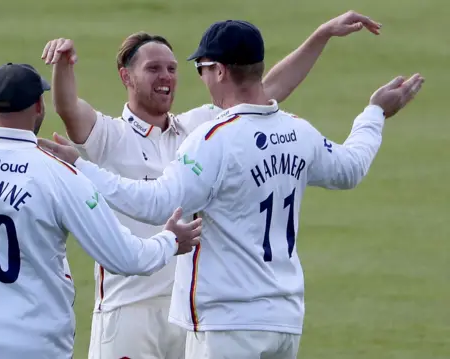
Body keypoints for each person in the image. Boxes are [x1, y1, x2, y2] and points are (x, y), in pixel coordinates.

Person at [39, 20, 424, 359]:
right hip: (280, 317)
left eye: (193, 69)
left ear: (218, 71)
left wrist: (79, 168)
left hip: (225, 319)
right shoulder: (295, 131)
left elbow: (156, 203)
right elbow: (350, 167)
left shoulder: (208, 134)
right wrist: (373, 113)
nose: (182, 77)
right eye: (155, 68)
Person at [0, 63, 202, 359]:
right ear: (39, 106)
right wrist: (170, 241)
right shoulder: (58, 174)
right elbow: (126, 258)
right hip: (34, 343)